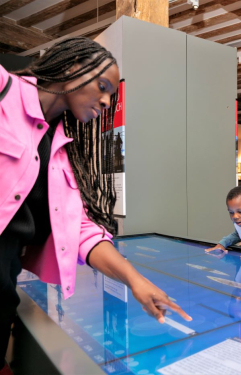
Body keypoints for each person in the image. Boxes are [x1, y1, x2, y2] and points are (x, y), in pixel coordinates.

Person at [0, 37, 190, 373]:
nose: (105, 100)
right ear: (73, 68)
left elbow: (81, 231)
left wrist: (135, 281)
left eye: (110, 94)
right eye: (102, 86)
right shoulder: (4, 89)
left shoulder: (62, 151)